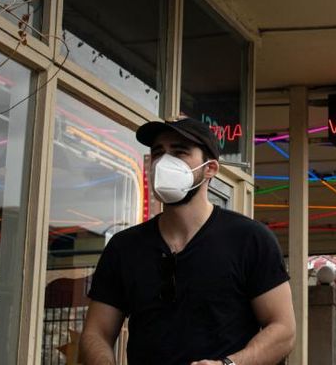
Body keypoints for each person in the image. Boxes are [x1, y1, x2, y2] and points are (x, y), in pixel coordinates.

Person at [80, 118, 295, 365]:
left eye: (179, 152)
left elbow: (283, 330)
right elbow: (96, 332)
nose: (164, 162)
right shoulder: (124, 247)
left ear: (210, 168)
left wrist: (229, 364)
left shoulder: (250, 239)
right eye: (158, 152)